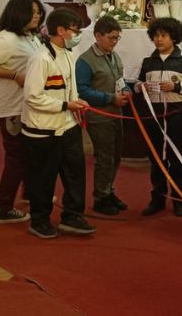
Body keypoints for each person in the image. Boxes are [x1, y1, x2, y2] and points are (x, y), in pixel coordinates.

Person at [22, 8, 96, 239]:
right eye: (76, 30)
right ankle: (40, 220)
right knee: (43, 178)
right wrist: (65, 105)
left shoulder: (69, 54)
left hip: (69, 126)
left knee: (75, 173)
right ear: (60, 30)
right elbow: (32, 96)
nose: (78, 35)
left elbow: (68, 87)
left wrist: (75, 102)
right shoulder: (40, 58)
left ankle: (72, 216)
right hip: (43, 129)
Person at [0, 0, 45, 225]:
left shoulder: (30, 36)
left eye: (38, 12)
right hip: (10, 108)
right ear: (18, 13)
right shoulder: (7, 39)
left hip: (26, 106)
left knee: (28, 154)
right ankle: (2, 208)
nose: (37, 16)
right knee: (16, 159)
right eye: (32, 12)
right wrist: (14, 75)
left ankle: (29, 192)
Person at [134, 17, 182, 218]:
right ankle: (158, 198)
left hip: (177, 115)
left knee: (177, 157)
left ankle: (179, 199)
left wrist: (176, 87)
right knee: (156, 158)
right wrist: (141, 87)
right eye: (156, 35)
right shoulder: (147, 60)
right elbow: (136, 84)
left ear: (174, 37)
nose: (159, 40)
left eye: (163, 35)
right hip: (153, 116)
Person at [75, 16, 131, 215]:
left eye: (117, 38)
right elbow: (82, 91)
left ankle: (108, 191)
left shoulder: (113, 56)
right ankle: (100, 196)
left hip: (116, 114)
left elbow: (119, 79)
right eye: (111, 38)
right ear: (98, 36)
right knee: (104, 157)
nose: (114, 42)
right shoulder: (85, 61)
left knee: (115, 156)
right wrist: (110, 98)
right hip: (99, 116)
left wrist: (125, 90)